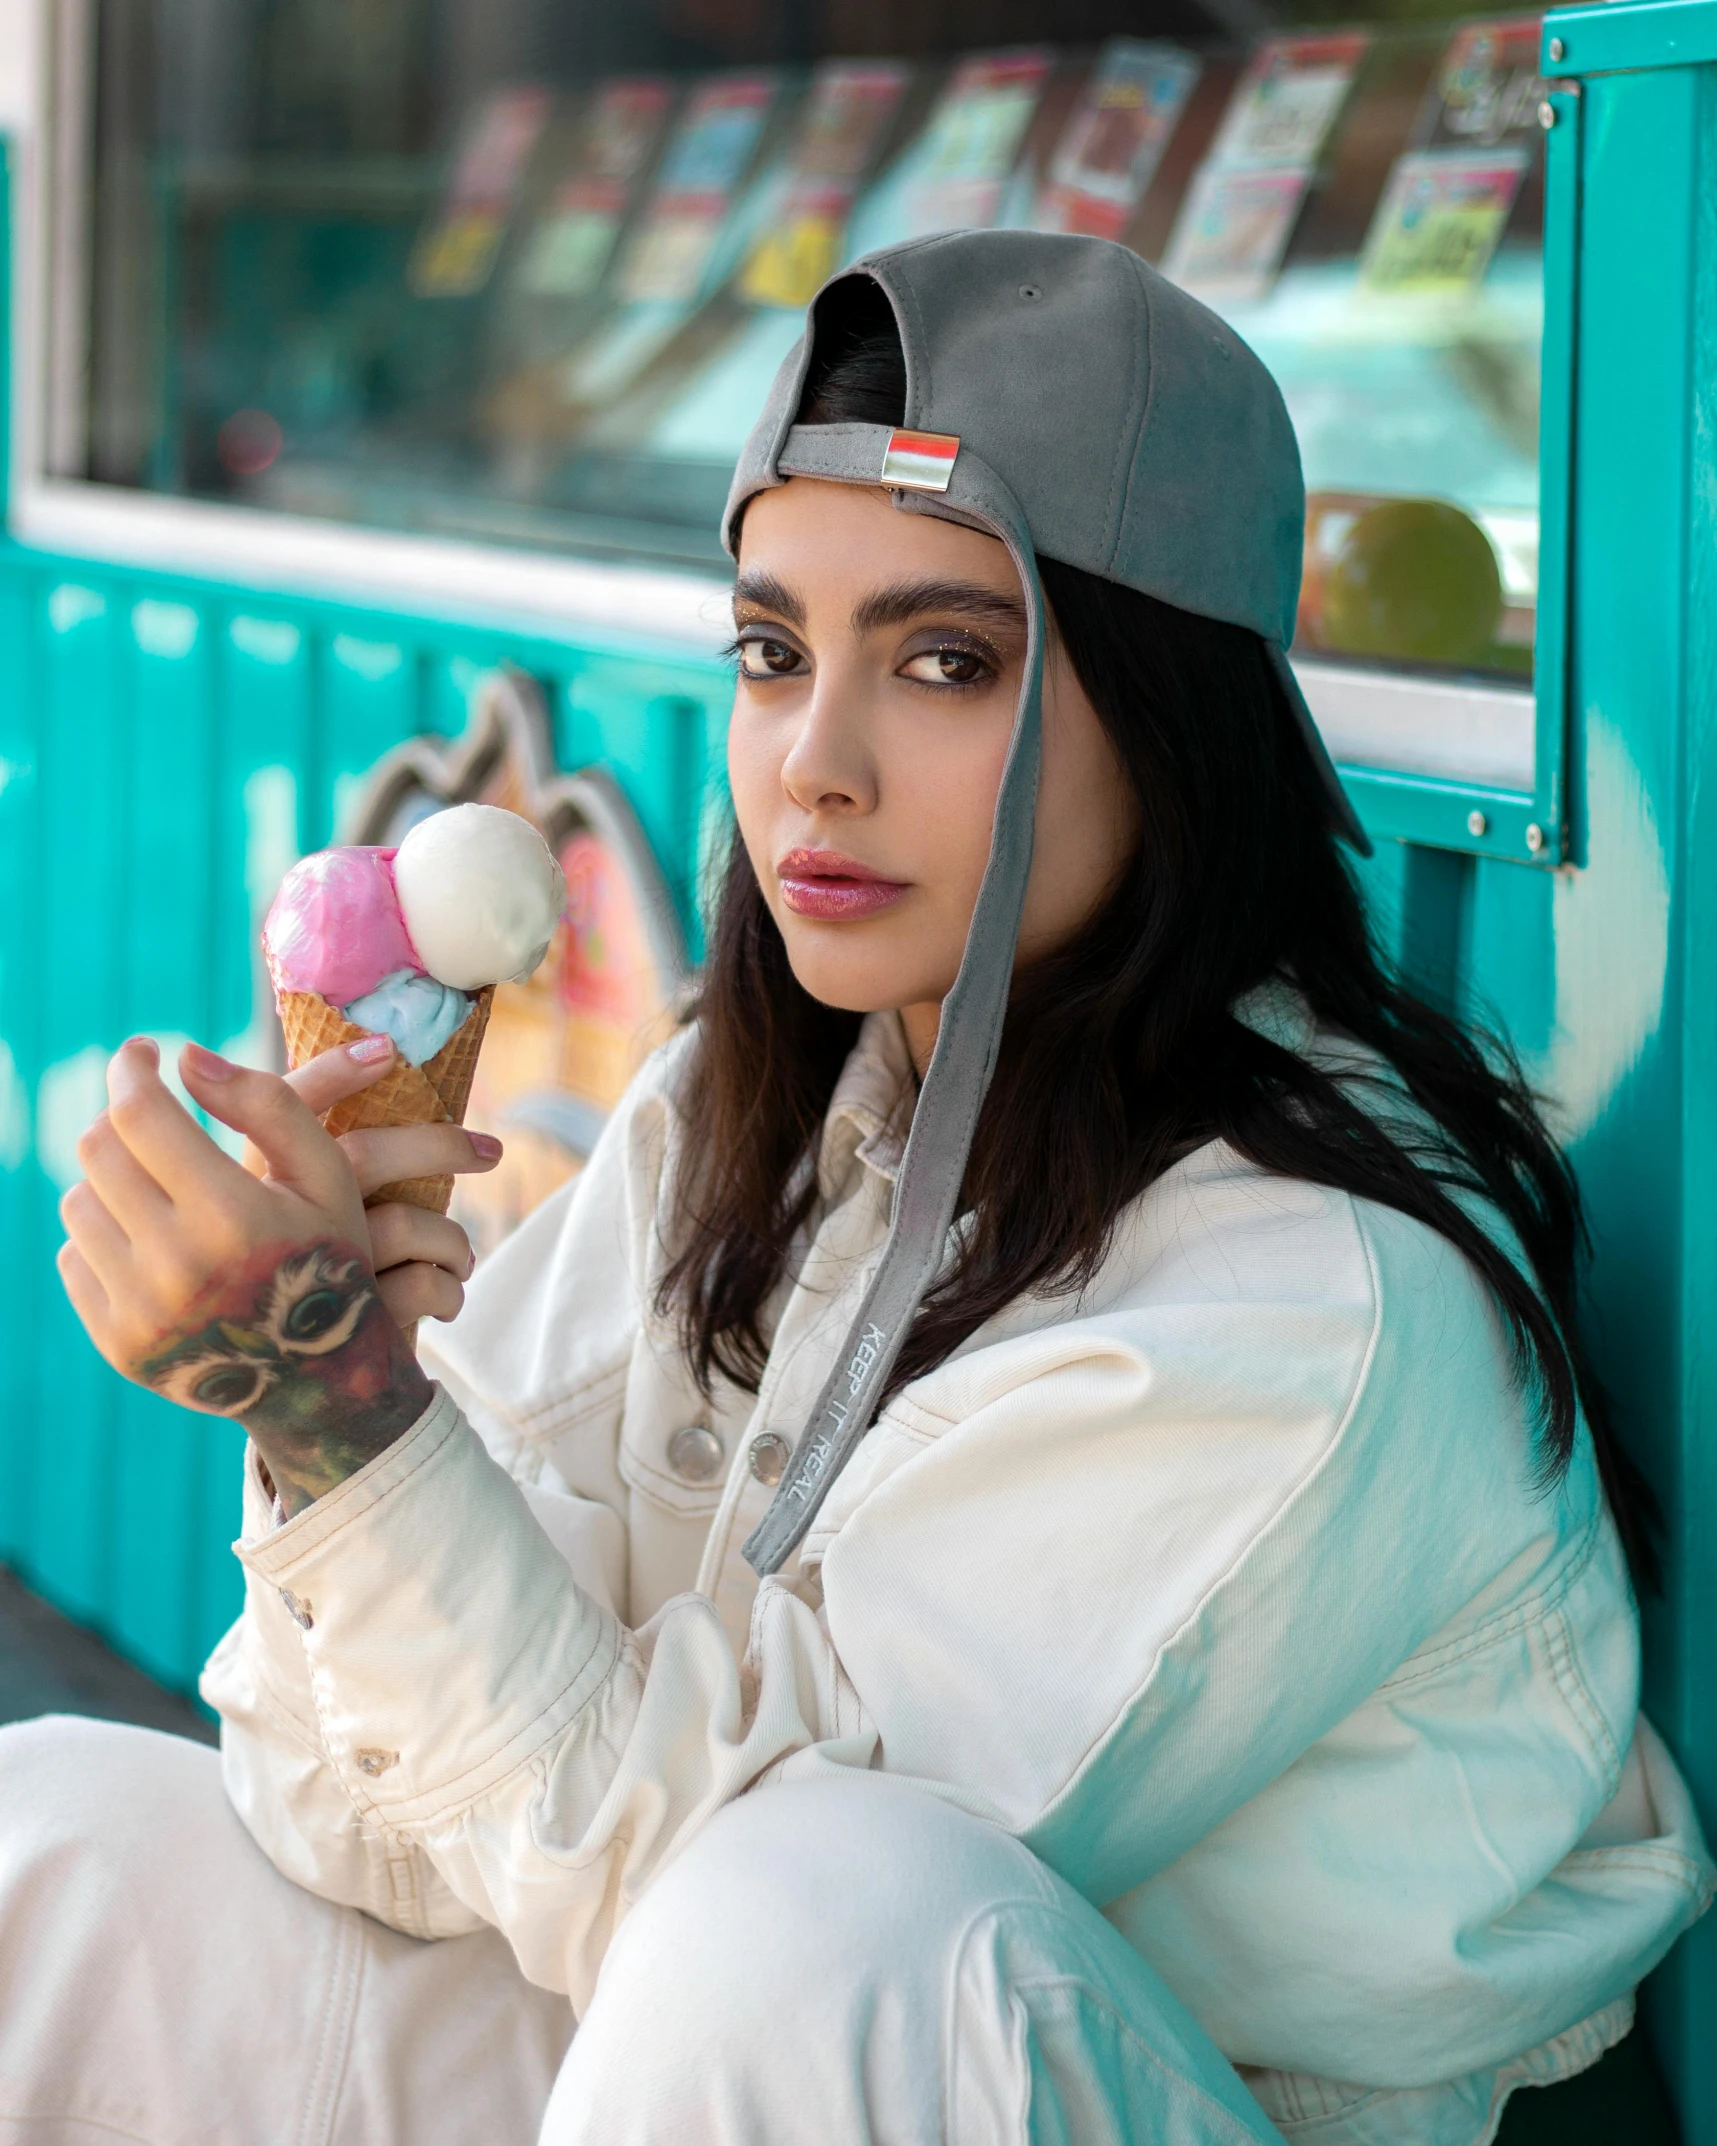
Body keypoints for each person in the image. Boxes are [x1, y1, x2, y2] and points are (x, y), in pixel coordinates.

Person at [4, 231, 1710, 2146]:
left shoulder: (1310, 1290)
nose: (813, 763)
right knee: (51, 1848)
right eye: (769, 651)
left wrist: (358, 1427)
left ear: (1172, 711)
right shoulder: (745, 1112)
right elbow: (340, 1794)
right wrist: (340, 1418)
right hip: (703, 2047)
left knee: (807, 1922)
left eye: (948, 660)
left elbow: (748, 1956)